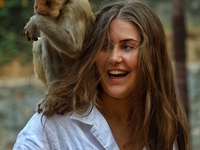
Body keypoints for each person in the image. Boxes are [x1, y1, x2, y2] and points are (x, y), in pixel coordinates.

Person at [13, 1, 190, 150]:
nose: (114, 58)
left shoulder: (164, 125)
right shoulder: (50, 129)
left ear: (152, 56)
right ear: (93, 55)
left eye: (127, 46)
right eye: (104, 46)